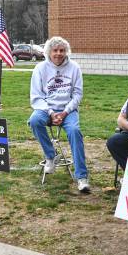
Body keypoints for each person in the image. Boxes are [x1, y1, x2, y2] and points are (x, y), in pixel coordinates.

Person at [28, 36, 90, 193]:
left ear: (66, 52)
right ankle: (51, 155)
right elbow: (36, 97)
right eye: (55, 50)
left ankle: (82, 177)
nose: (58, 54)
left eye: (62, 50)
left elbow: (77, 94)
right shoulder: (40, 69)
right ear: (49, 52)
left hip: (67, 110)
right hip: (46, 109)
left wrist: (65, 112)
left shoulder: (74, 67)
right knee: (34, 121)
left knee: (75, 132)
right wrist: (50, 112)